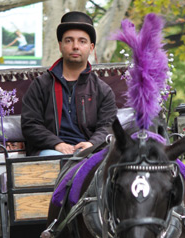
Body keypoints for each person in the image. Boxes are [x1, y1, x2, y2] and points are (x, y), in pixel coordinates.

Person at [21, 11, 117, 157]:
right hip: (50, 152)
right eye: (69, 40)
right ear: (60, 46)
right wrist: (57, 144)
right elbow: (30, 124)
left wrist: (91, 144)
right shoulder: (41, 85)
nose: (75, 46)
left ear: (91, 48)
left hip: (90, 153)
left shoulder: (102, 90)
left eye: (82, 41)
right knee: (49, 159)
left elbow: (108, 126)